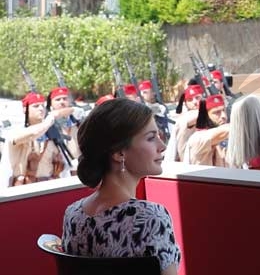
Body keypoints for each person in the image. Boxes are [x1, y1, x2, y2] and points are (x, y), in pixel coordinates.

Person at [62, 99, 181, 274]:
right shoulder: (149, 218)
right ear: (119, 153)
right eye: (150, 138)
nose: (162, 146)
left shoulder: (73, 215)